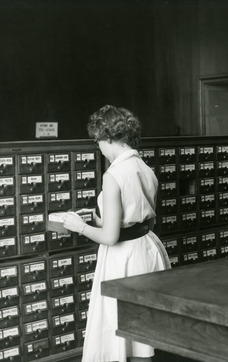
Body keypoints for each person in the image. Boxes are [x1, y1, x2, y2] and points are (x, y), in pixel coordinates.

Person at [63, 105, 171, 362]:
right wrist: (102, 220)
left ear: (109, 137)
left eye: (97, 140)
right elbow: (146, 221)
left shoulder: (113, 175)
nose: (98, 147)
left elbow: (111, 238)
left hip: (123, 260)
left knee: (119, 331)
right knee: (143, 335)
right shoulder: (145, 169)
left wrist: (80, 226)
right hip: (147, 250)